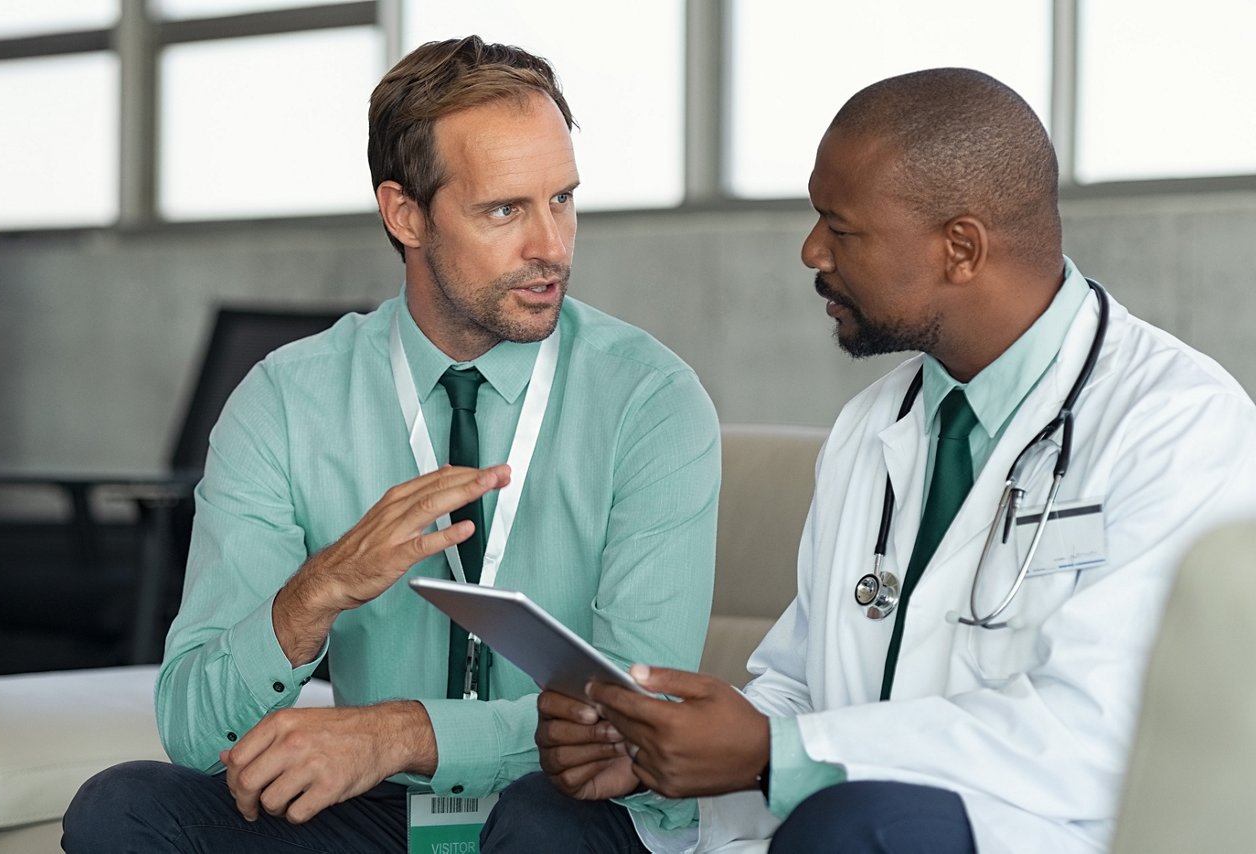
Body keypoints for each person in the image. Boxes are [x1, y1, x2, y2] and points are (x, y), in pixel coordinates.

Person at [489, 68, 1256, 854]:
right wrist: (665, 746)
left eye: (841, 229)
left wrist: (776, 755)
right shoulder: (873, 425)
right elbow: (802, 685)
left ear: (961, 248)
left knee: (855, 830)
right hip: (832, 820)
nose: (811, 250)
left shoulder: (1177, 427)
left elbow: (1099, 737)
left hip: (1033, 832)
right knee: (546, 817)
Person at [62, 35, 720, 851]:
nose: (551, 245)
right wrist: (316, 593)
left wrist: (402, 733)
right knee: (123, 807)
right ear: (405, 214)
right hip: (388, 812)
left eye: (562, 199)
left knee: (541, 825)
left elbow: (635, 722)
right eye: (505, 210)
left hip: (572, 806)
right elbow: (195, 733)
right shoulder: (287, 401)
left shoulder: (650, 401)